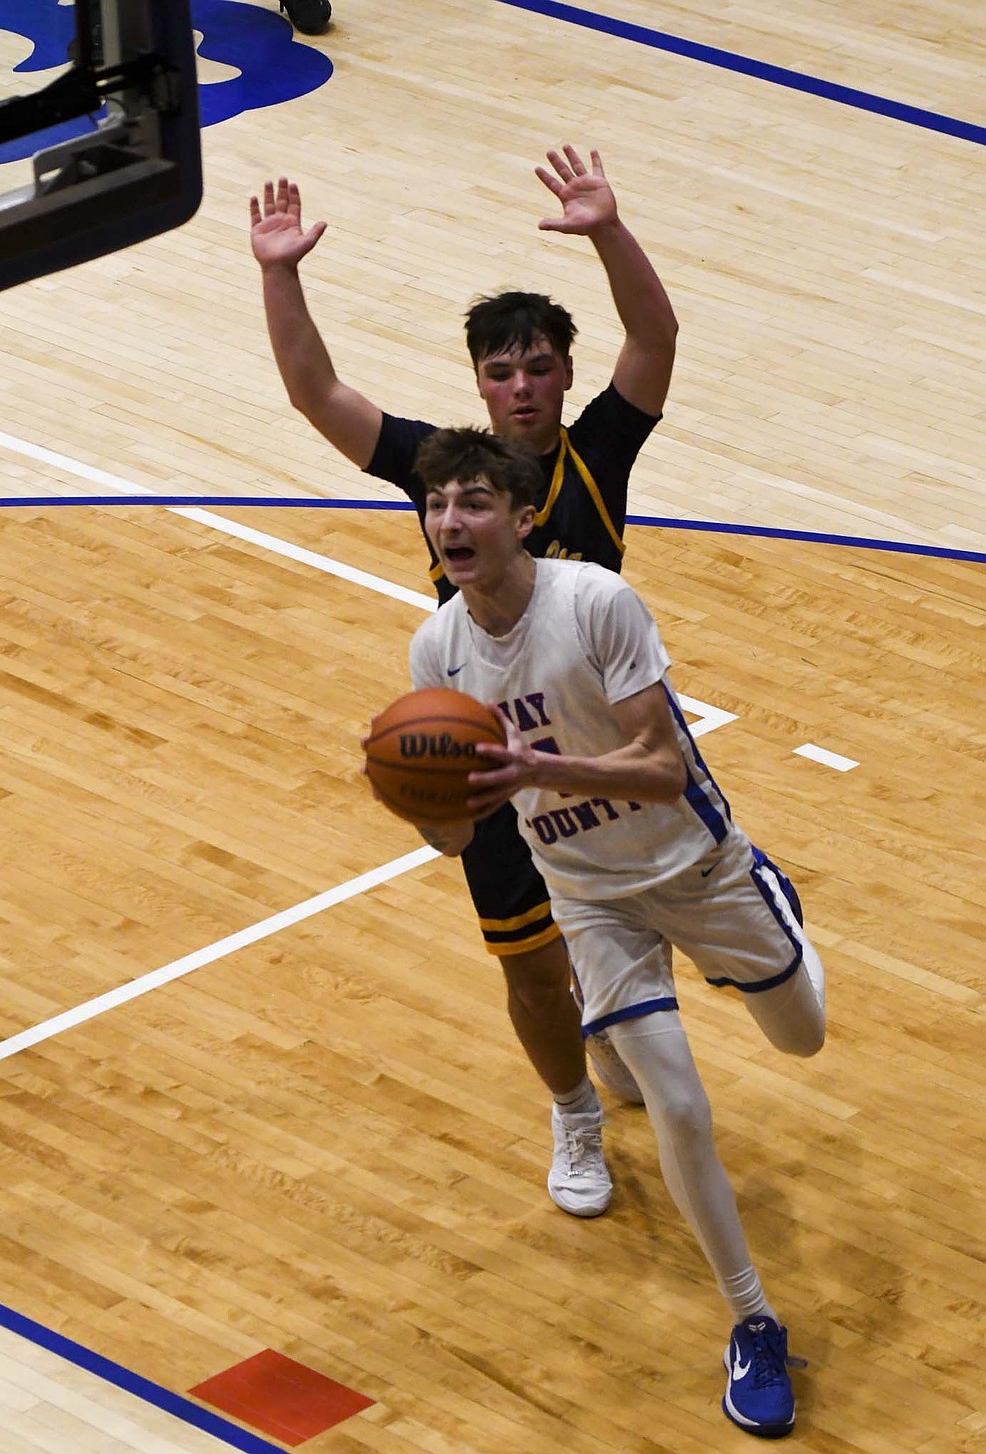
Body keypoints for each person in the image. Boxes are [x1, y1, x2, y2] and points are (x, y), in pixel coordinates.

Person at [249, 145, 678, 1218]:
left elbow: (654, 336)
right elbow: (315, 392)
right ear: (478, 381)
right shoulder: (444, 469)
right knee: (529, 966)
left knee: (626, 951)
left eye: (537, 365)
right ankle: (573, 1110)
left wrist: (608, 233)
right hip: (488, 756)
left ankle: (612, 1022)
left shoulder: (595, 456)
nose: (521, 385)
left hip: (596, 751)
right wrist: (279, 272)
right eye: (501, 369)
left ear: (563, 375)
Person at [393, 425, 826, 1439]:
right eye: (435, 504)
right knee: (676, 1103)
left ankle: (780, 922)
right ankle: (752, 1320)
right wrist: (415, 797)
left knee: (800, 1033)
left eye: (472, 502)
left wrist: (534, 774)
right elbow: (457, 834)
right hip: (589, 894)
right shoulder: (436, 646)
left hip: (697, 864)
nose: (449, 521)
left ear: (521, 516)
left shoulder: (593, 600)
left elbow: (662, 765)